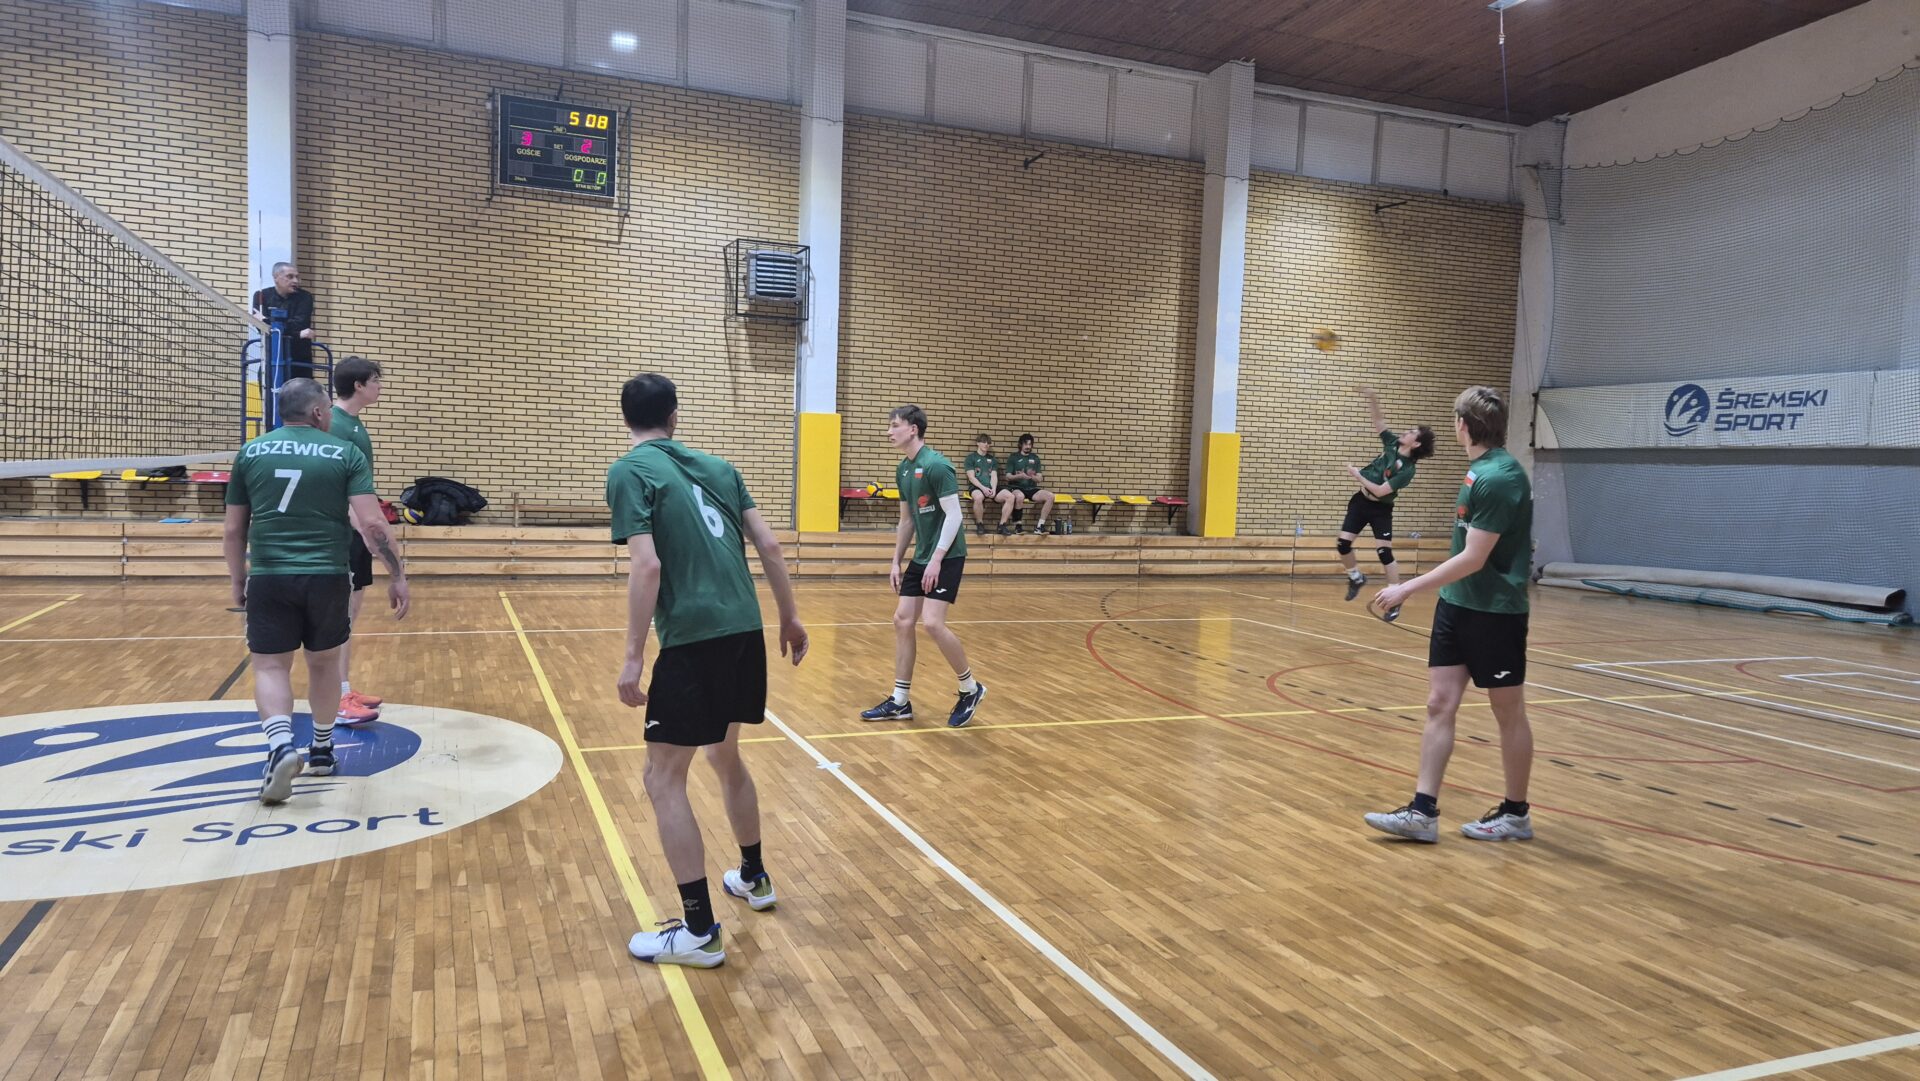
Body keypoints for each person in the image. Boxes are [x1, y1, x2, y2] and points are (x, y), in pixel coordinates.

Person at [609, 374, 809, 970]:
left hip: (694, 637)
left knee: (662, 778)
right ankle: (754, 876)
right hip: (744, 629)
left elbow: (646, 566)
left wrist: (633, 655)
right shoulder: (722, 467)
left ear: (626, 418)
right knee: (725, 756)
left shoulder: (630, 470)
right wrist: (790, 618)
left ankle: (699, 931)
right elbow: (771, 547)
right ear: (674, 416)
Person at [222, 378, 410, 804]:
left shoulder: (251, 452)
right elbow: (372, 524)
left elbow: (234, 529)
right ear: (319, 412)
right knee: (324, 665)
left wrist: (237, 580)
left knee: (271, 667)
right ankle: (322, 749)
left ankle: (280, 746)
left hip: (270, 575)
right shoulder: (344, 453)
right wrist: (397, 574)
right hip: (327, 575)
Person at [1364, 386, 1534, 844]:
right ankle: (1422, 812)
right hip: (1456, 605)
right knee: (1439, 703)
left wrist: (1405, 588)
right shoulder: (1480, 470)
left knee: (1508, 712)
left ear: (1463, 425)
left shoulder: (1500, 478)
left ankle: (1516, 814)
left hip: (1495, 613)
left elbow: (1474, 557)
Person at [860, 405, 986, 727]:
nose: (889, 432)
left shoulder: (937, 465)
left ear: (913, 429)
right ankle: (900, 701)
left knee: (931, 623)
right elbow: (906, 521)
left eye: (895, 425)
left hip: (947, 554)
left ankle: (970, 688)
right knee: (902, 620)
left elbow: (955, 516)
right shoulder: (903, 469)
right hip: (922, 555)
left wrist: (937, 560)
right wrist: (895, 561)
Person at [1337, 387, 1436, 620]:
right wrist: (1372, 398)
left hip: (1380, 509)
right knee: (1343, 544)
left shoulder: (1408, 470)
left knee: (1384, 552)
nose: (1406, 431)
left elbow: (1381, 491)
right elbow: (1378, 422)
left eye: (1411, 432)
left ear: (1416, 444)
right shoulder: (1391, 443)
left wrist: (1358, 475)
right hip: (1360, 502)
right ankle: (1356, 577)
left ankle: (1396, 599)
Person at [329, 357, 385, 726]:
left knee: (349, 618)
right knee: (340, 619)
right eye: (376, 380)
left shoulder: (353, 422)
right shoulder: (335, 424)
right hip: (345, 532)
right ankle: (336, 697)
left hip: (356, 531)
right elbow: (337, 487)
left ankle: (344, 687)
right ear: (359, 385)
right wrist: (365, 529)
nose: (380, 386)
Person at [250, 262, 317, 380]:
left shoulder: (305, 297)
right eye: (290, 276)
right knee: (269, 391)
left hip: (299, 361)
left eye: (297, 277)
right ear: (276, 277)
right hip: (271, 360)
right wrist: (298, 334)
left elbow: (299, 324)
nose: (295, 281)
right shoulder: (261, 296)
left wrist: (265, 319)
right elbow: (262, 329)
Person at [1002, 433, 1056, 535]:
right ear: (1020, 445)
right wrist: (1019, 476)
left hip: (1031, 488)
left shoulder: (1035, 458)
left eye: (1030, 444)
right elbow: (1008, 476)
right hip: (1016, 487)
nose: (1028, 446)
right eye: (1026, 444)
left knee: (1050, 496)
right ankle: (1018, 526)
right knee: (1019, 496)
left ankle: (1040, 526)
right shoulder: (1013, 457)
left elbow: (1039, 478)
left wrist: (1032, 476)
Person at [963, 433, 1011, 536]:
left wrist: (993, 489)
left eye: (988, 442)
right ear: (977, 443)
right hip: (977, 487)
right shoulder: (971, 458)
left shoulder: (992, 459)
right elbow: (971, 477)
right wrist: (983, 488)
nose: (986, 444)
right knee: (978, 497)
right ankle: (980, 524)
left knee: (1010, 496)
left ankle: (1002, 525)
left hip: (990, 487)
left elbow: (994, 476)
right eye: (984, 442)